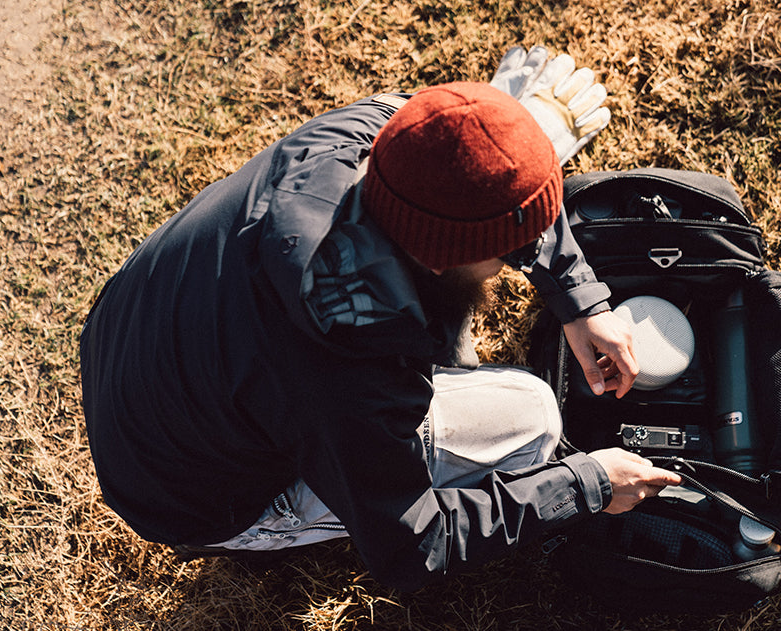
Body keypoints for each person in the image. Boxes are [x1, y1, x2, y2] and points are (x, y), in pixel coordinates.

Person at [79, 48, 681, 592]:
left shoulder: (374, 132)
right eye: (509, 252)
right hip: (192, 500)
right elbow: (415, 548)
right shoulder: (347, 375)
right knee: (530, 416)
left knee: (478, 185)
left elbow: (472, 200)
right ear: (444, 259)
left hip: (136, 346)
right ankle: (267, 529)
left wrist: (580, 299)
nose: (515, 264)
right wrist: (589, 483)